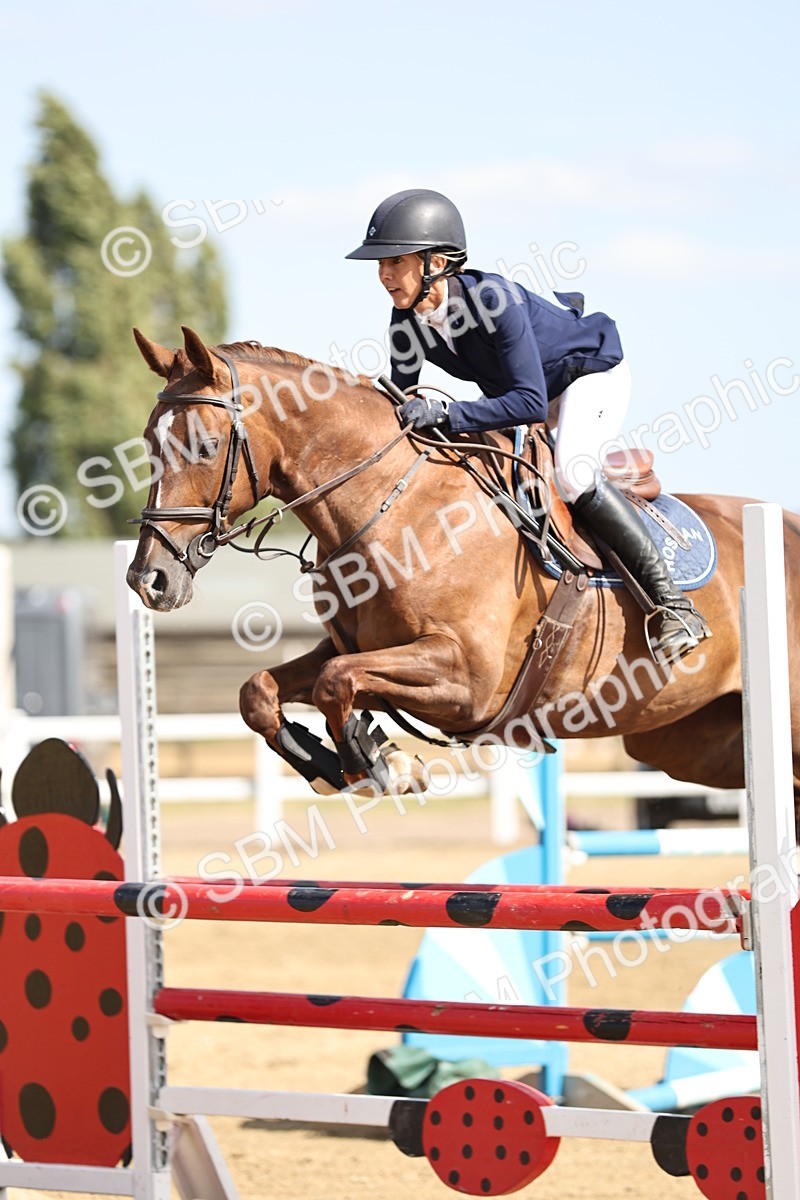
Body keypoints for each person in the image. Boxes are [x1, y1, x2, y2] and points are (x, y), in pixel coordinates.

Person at [346, 188, 709, 663]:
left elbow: (530, 402)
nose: (384, 274)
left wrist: (447, 414)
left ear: (435, 262)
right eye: (380, 264)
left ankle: (673, 606)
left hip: (585, 376)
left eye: (395, 260)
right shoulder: (405, 319)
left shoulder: (494, 300)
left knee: (573, 476)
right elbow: (402, 403)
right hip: (525, 391)